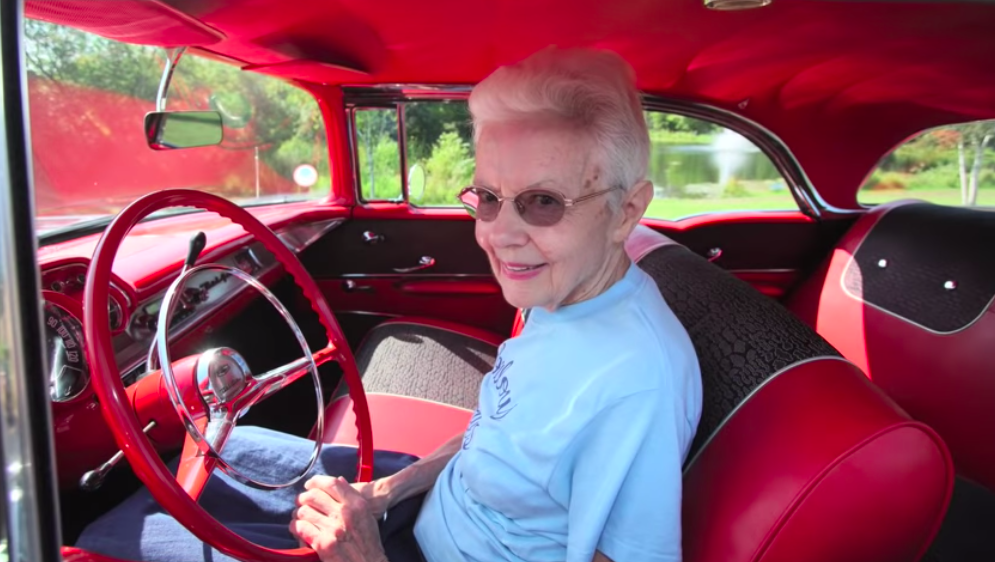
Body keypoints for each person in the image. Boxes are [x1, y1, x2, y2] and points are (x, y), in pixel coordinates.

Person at [77, 46, 702, 562]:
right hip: (419, 514)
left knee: (103, 545)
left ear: (627, 210)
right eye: (487, 196)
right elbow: (495, 437)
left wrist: (367, 554)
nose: (498, 234)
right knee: (222, 455)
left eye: (543, 202)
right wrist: (382, 493)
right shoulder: (564, 293)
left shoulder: (635, 380)